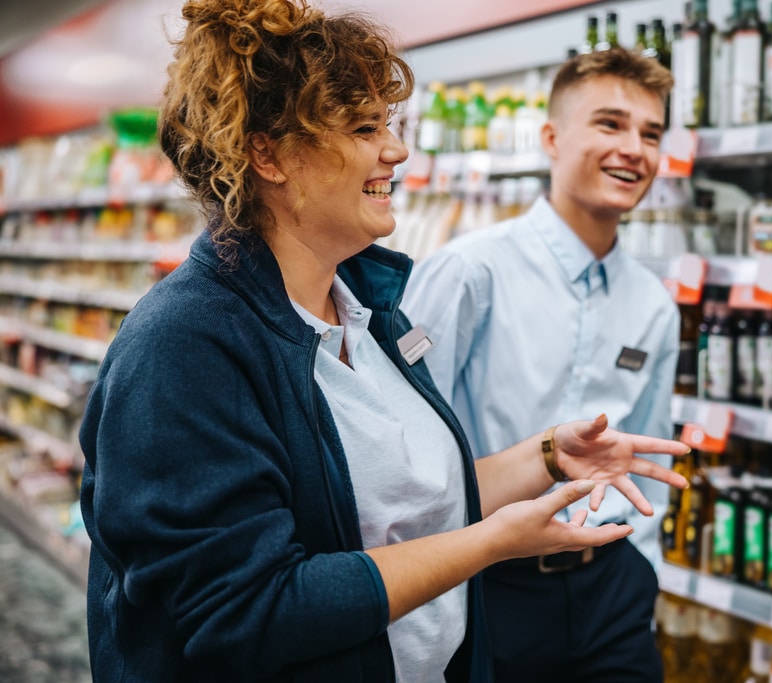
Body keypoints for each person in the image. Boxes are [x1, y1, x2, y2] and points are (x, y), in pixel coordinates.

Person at [77, 1, 690, 682]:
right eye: (367, 129)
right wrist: (489, 544)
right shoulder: (184, 346)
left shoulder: (371, 316)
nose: (395, 151)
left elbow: (409, 502)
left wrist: (548, 455)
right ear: (269, 153)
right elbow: (244, 611)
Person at [402, 47, 680, 682]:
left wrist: (643, 568)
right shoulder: (470, 272)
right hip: (491, 584)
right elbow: (404, 452)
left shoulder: (654, 306)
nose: (633, 148)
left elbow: (650, 455)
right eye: (610, 124)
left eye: (651, 133)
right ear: (551, 138)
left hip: (613, 590)